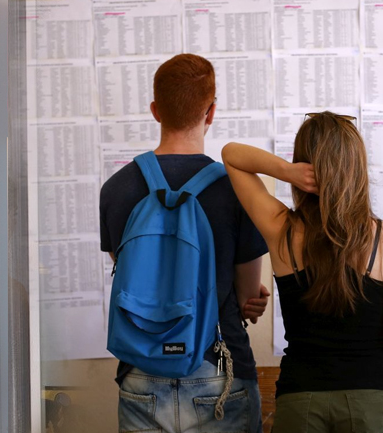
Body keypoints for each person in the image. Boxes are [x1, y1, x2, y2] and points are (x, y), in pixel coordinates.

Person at [100, 53, 269, 433]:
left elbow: (127, 267)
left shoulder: (116, 189)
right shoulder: (237, 189)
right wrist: (247, 296)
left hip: (140, 371)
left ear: (155, 110)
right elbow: (246, 296)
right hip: (219, 371)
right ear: (211, 112)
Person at [222, 112, 383, 432]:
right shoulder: (380, 240)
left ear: (303, 165)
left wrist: (285, 172)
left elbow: (232, 155)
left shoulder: (283, 229)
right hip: (371, 403)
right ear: (357, 168)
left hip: (301, 401)